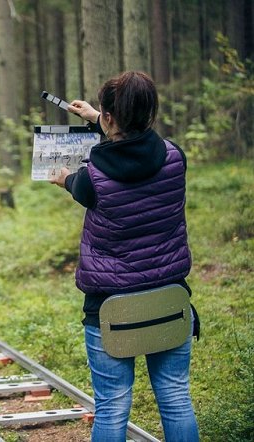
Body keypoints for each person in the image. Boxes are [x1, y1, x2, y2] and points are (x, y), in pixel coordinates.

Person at [50, 71, 200, 442]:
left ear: (111, 117)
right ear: (149, 113)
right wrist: (97, 120)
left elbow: (88, 179)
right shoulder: (175, 158)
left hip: (111, 309)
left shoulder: (91, 177)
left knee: (112, 406)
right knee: (177, 399)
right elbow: (135, 155)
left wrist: (63, 177)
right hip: (169, 300)